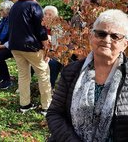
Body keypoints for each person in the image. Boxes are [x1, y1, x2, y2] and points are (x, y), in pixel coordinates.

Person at [47, 9, 128, 141]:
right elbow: (55, 113)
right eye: (101, 34)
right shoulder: (71, 71)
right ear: (91, 37)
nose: (107, 40)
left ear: (125, 44)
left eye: (115, 36)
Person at [8, 0, 51, 115]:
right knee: (43, 74)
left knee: (23, 75)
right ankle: (46, 107)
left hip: (15, 46)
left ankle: (24, 105)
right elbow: (40, 28)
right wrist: (45, 44)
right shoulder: (34, 5)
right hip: (31, 47)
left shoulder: (14, 6)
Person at [43, 5, 63, 89]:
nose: (47, 16)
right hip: (40, 51)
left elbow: (55, 45)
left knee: (53, 64)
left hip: (55, 53)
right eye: (45, 14)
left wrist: (48, 54)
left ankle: (50, 87)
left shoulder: (57, 27)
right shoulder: (40, 26)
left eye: (50, 14)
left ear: (55, 17)